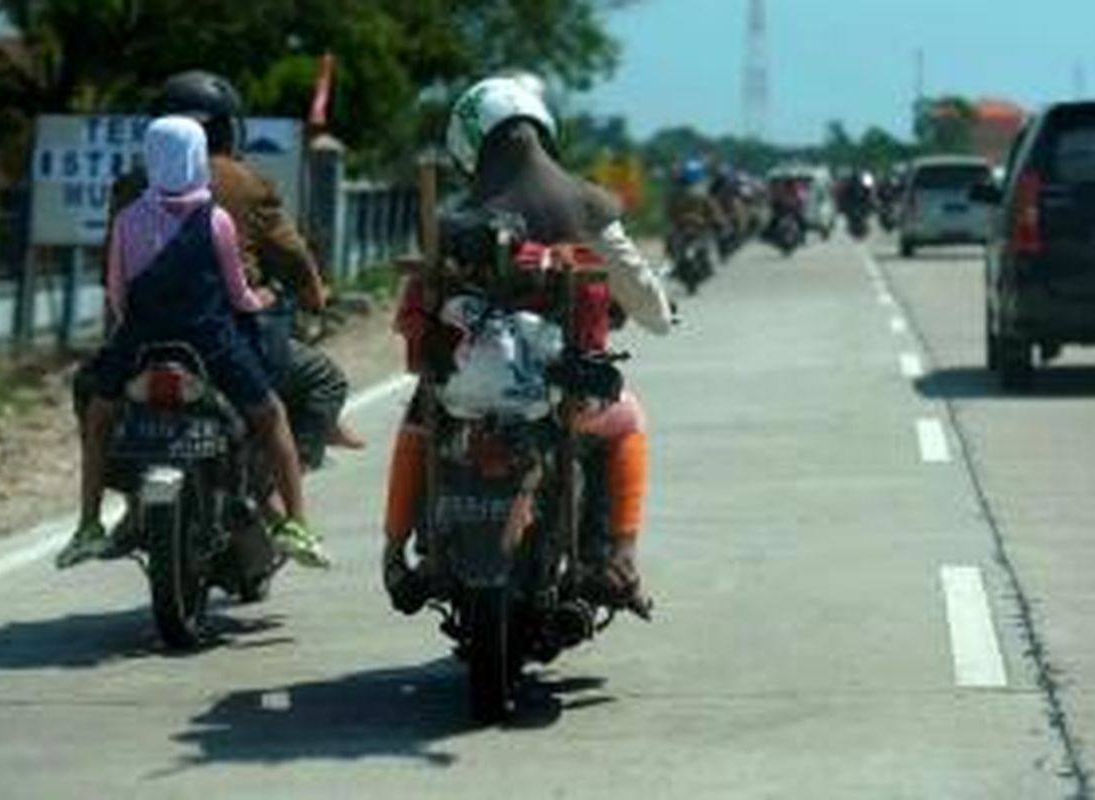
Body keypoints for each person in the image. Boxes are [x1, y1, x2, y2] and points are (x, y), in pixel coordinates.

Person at [382, 76, 673, 613]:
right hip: (557, 401)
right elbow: (649, 307)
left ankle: (395, 549)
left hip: (458, 397)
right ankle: (620, 558)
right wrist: (659, 313)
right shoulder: (585, 203)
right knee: (629, 419)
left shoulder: (449, 219)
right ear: (542, 129)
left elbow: (415, 314)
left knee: (417, 418)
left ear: (470, 144)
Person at [55, 117, 327, 569]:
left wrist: (139, 328)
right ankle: (296, 524)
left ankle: (88, 526)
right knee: (271, 415)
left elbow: (117, 292)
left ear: (150, 157)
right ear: (198, 159)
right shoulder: (216, 220)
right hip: (210, 343)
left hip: (140, 341)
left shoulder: (127, 219)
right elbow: (237, 293)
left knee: (100, 416)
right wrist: (264, 297)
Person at [101, 71, 363, 468]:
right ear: (226, 128)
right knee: (323, 381)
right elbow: (292, 255)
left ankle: (106, 493)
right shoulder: (246, 183)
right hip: (221, 335)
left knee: (90, 390)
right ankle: (276, 487)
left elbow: (110, 272)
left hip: (141, 338)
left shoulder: (130, 186)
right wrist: (313, 295)